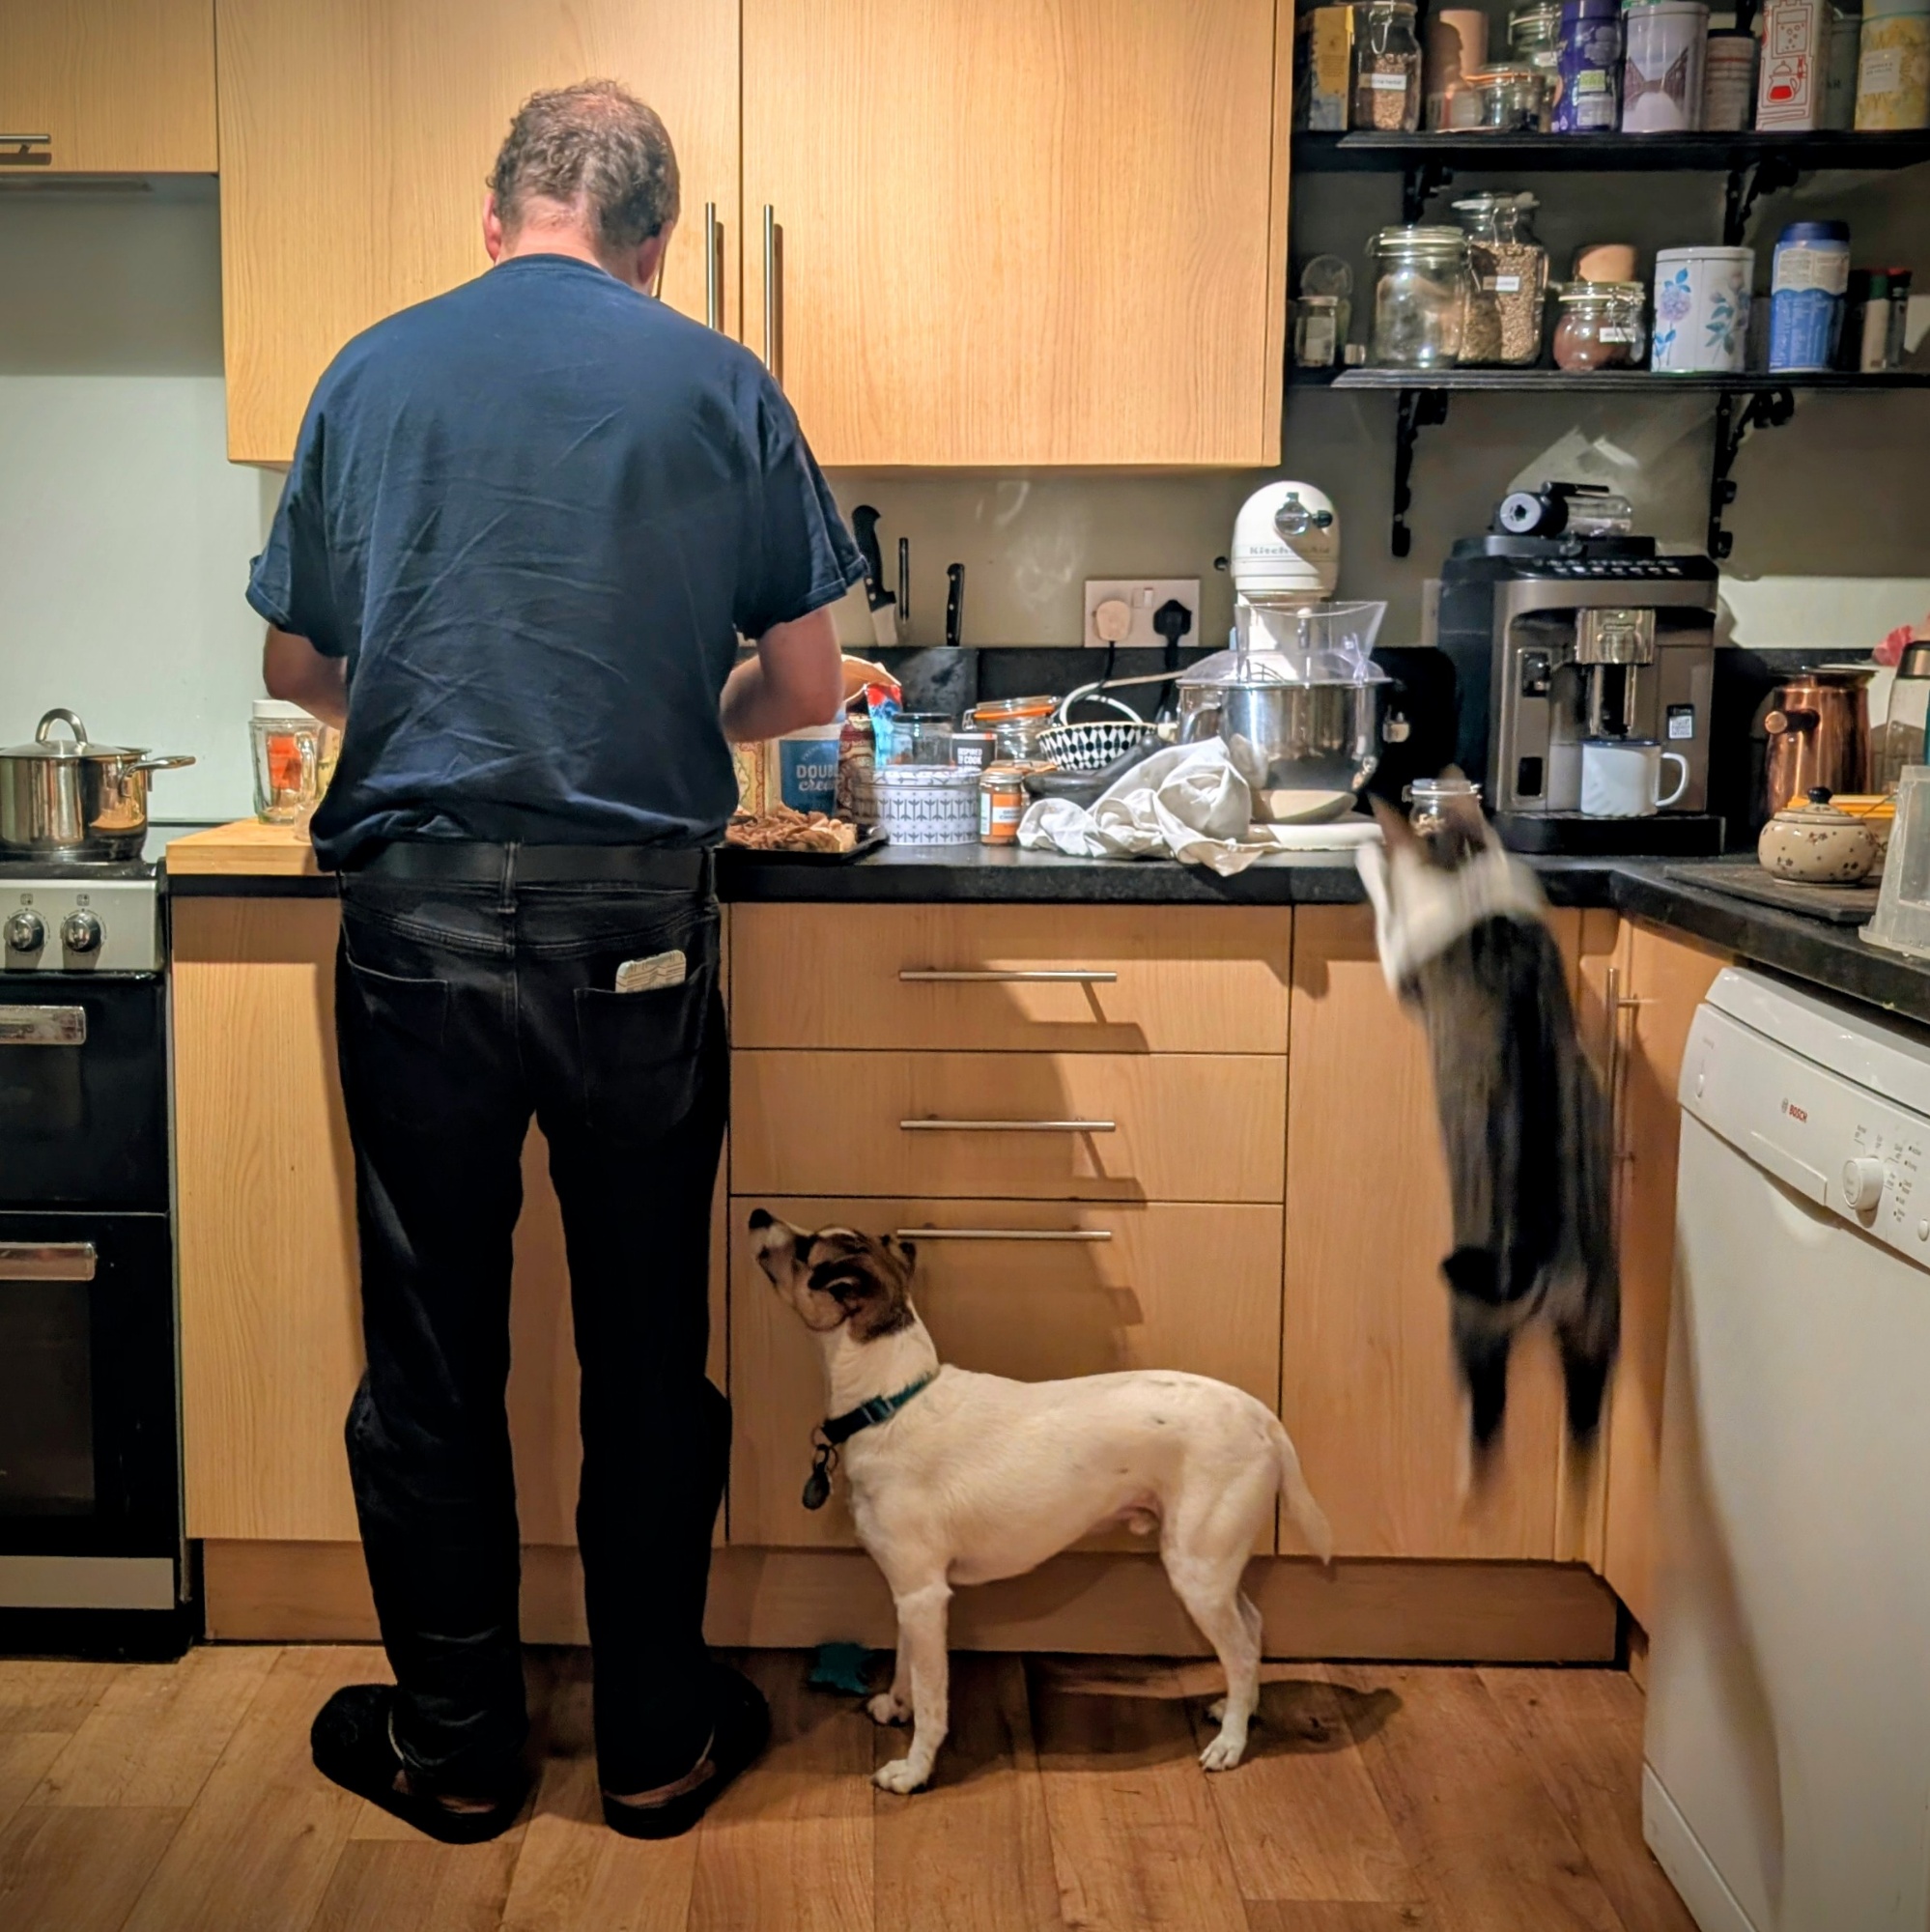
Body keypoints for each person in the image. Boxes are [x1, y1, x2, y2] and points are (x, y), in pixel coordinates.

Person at [249, 79, 862, 1844]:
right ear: (655, 242)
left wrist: (445, 710)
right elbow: (806, 688)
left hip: (419, 925)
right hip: (634, 937)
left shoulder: (370, 373)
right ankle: (656, 1745)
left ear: (496, 213)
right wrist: (668, 711)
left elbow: (298, 667)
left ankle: (456, 1752)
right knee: (645, 1346)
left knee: (434, 1356)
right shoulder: (718, 381)